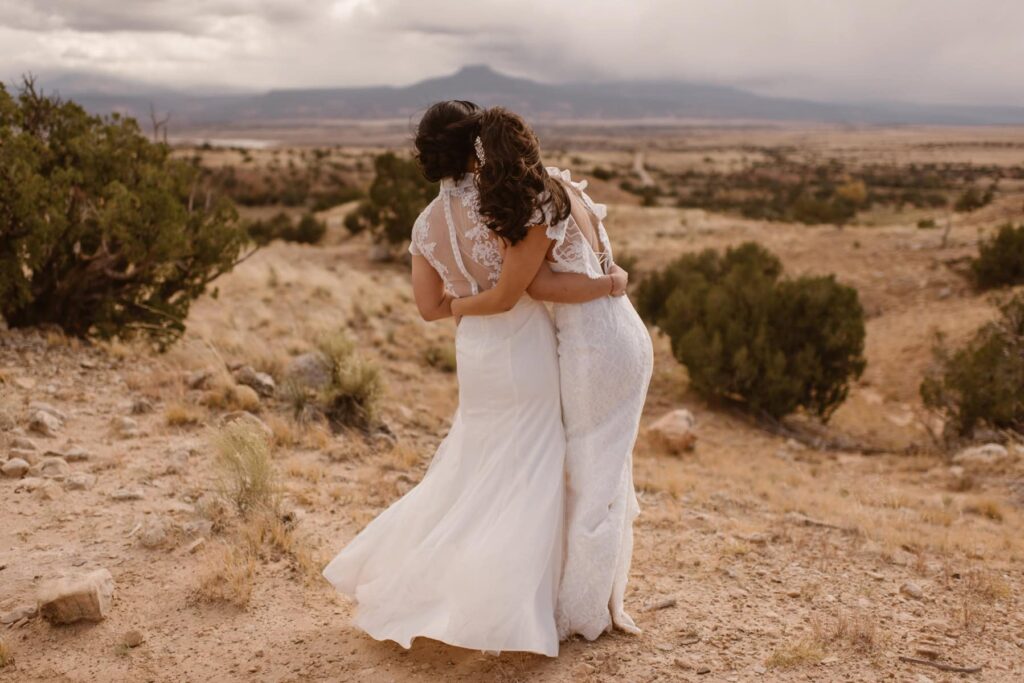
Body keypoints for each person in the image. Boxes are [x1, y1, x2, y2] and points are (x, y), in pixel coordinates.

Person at [322, 100, 624, 656]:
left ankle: (447, 582)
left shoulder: (424, 224)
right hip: (524, 344)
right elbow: (517, 291)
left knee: (479, 463)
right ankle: (508, 605)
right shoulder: (501, 205)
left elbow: (429, 308)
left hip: (476, 354)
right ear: (474, 147)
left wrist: (463, 304)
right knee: (532, 464)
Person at [451, 107, 653, 641]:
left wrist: (608, 287)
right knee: (606, 474)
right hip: (624, 334)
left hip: (595, 345)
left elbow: (537, 288)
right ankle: (606, 602)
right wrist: (611, 286)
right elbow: (599, 264)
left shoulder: (538, 204)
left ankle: (580, 615)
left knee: (591, 479)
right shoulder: (563, 185)